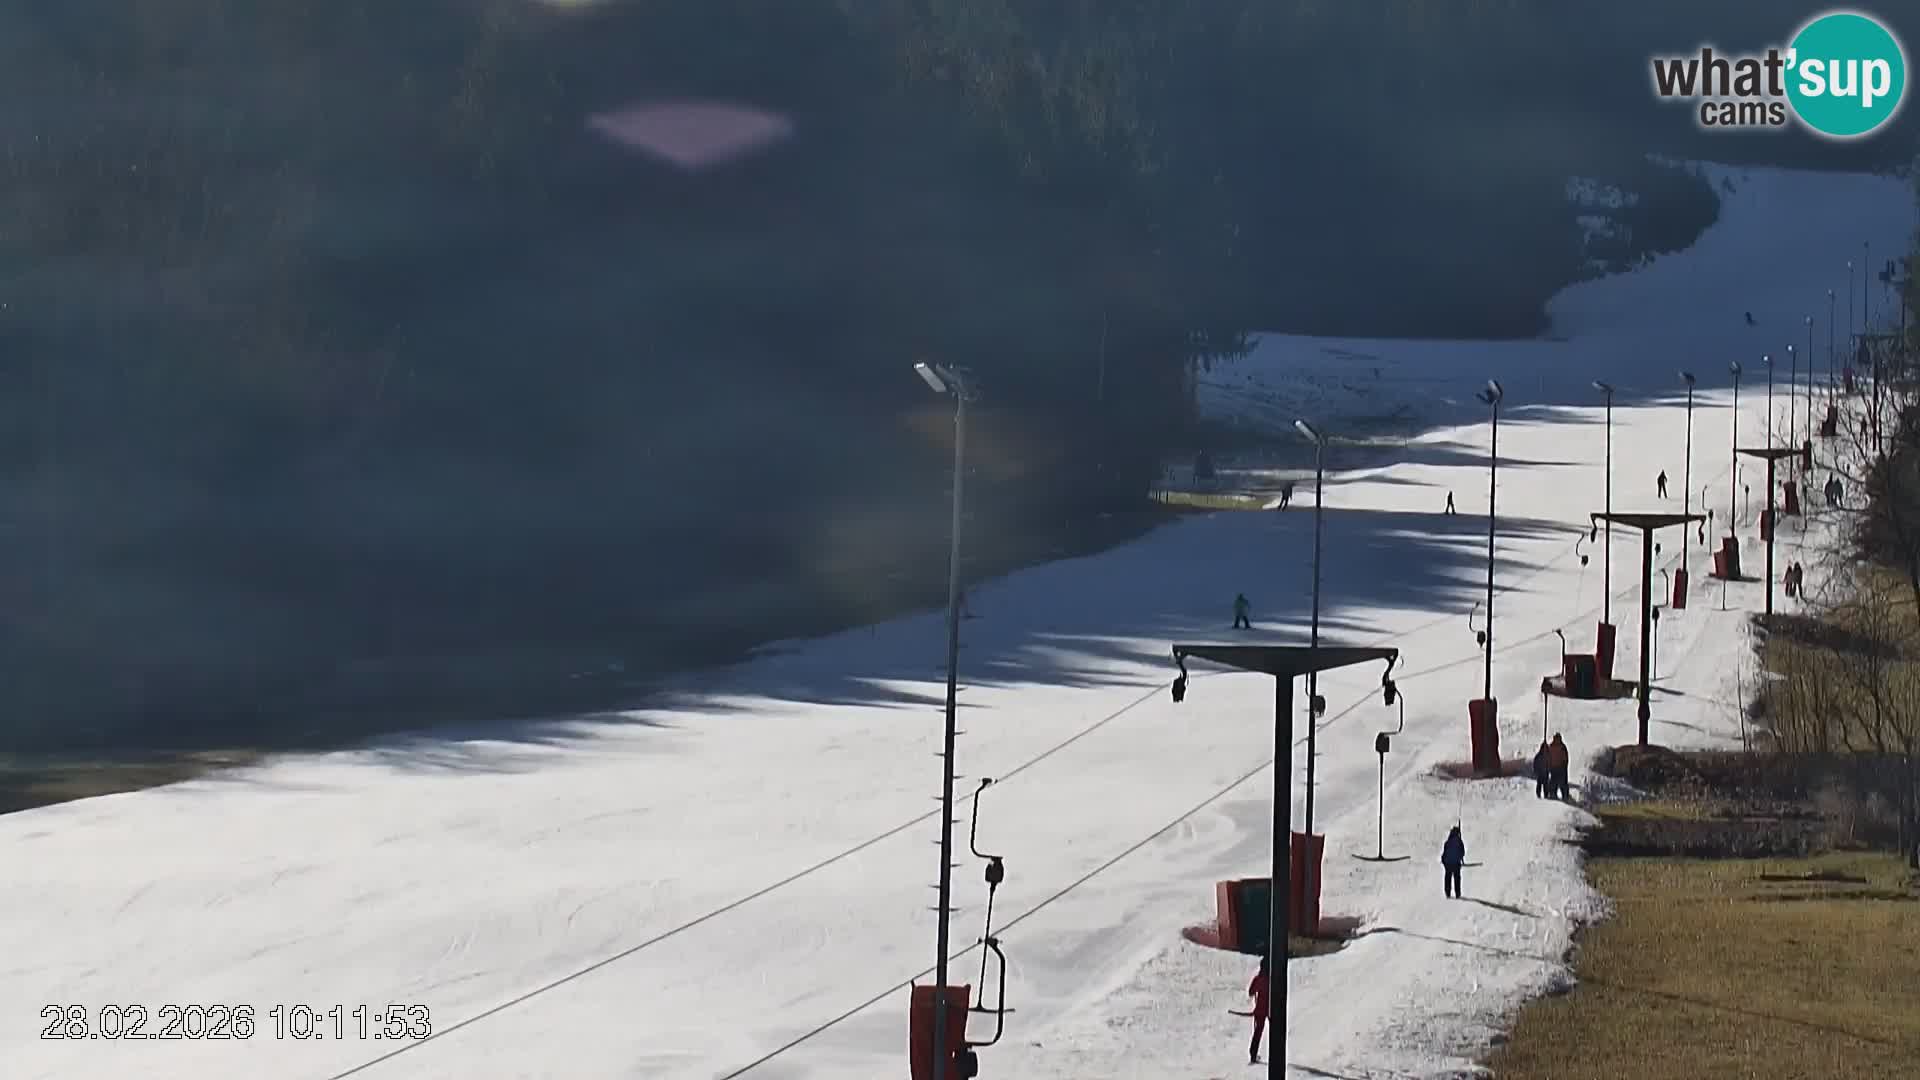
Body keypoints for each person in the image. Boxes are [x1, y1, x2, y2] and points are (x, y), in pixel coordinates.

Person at [1247, 955, 1270, 1064]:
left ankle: (1253, 1054)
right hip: (1271, 1009)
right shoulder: (1272, 978)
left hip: (1260, 1010)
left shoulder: (1258, 978)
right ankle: (1275, 1055)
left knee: (1257, 1032)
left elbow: (1251, 992)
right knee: (1275, 1033)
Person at [1441, 825, 1466, 898]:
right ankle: (1457, 893)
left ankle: (1447, 892)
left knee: (1448, 877)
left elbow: (1445, 852)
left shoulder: (1448, 841)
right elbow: (1462, 852)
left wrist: (1443, 860)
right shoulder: (1459, 841)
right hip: (1456, 863)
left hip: (1448, 863)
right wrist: (1460, 857)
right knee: (1457, 878)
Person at [1546, 733, 1571, 800]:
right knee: (1562, 783)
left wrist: (1549, 766)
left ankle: (1553, 794)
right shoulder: (1562, 746)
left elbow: (1548, 757)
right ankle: (1565, 796)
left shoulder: (1551, 747)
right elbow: (1565, 758)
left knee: (1554, 782)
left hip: (1554, 767)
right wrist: (1564, 765)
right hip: (1560, 767)